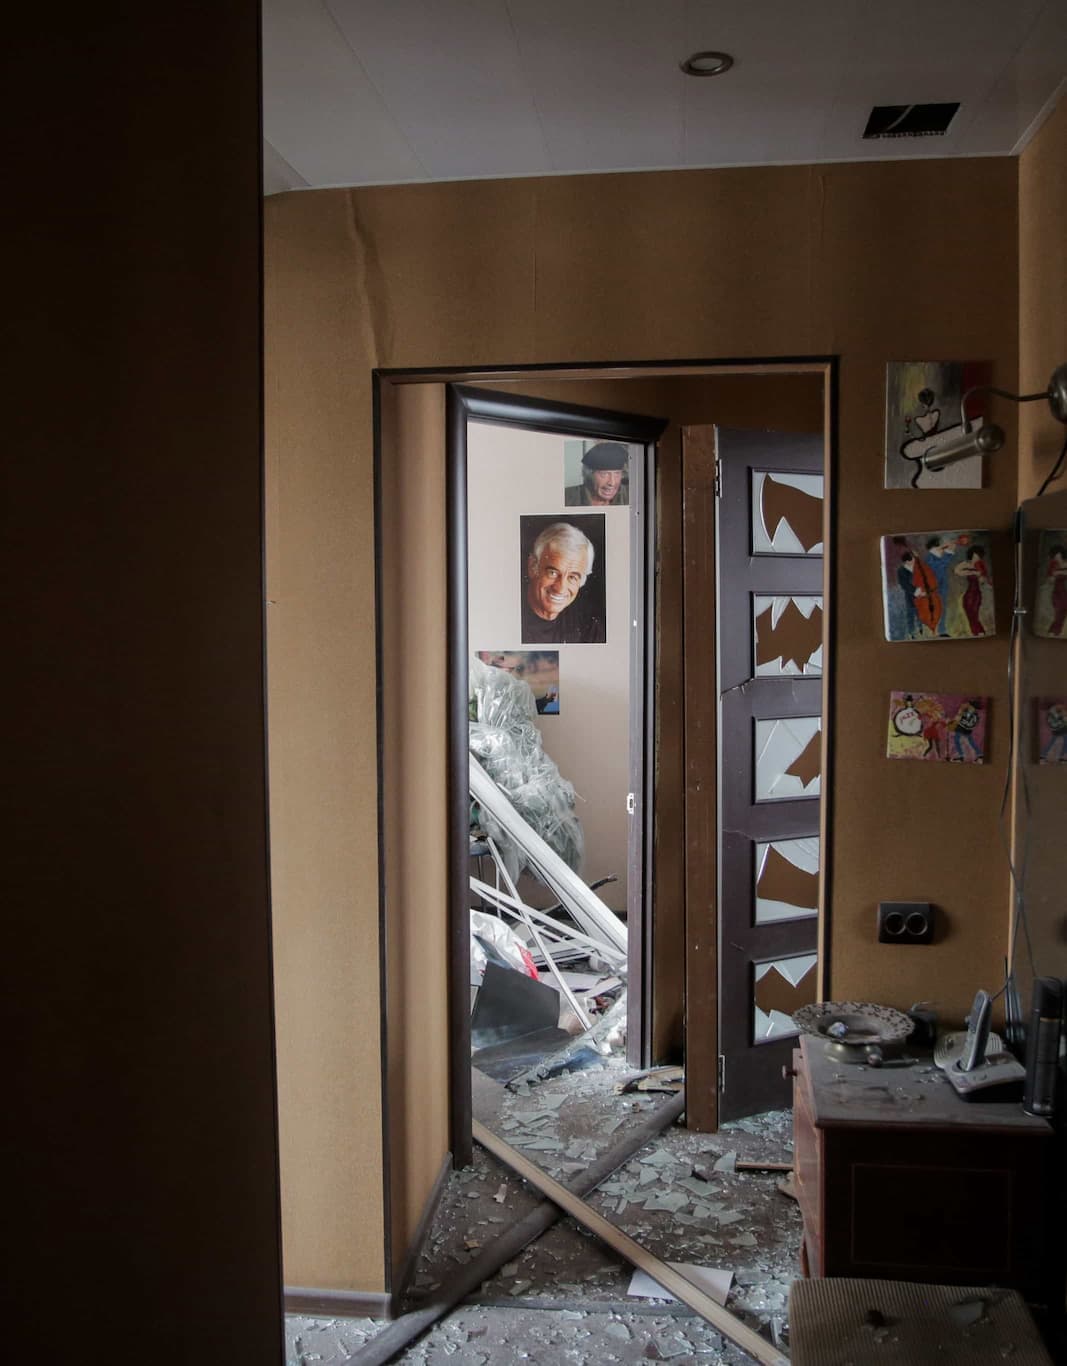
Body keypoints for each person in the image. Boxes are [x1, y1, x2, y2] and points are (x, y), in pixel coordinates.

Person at [521, 521, 603, 644]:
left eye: (572, 577)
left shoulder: (588, 627)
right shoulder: (508, 618)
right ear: (533, 567)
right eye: (552, 573)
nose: (560, 589)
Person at [565, 442, 629, 507]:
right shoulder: (567, 497)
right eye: (604, 474)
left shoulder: (629, 495)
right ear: (589, 475)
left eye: (617, 474)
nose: (612, 483)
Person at [953, 544, 990, 636]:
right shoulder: (966, 563)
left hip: (976, 593)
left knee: (974, 613)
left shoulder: (981, 565)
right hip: (968, 593)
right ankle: (977, 632)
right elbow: (957, 571)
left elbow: (983, 580)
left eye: (978, 556)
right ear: (972, 554)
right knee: (969, 612)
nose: (977, 557)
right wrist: (972, 572)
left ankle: (979, 632)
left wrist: (980, 575)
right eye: (975, 555)